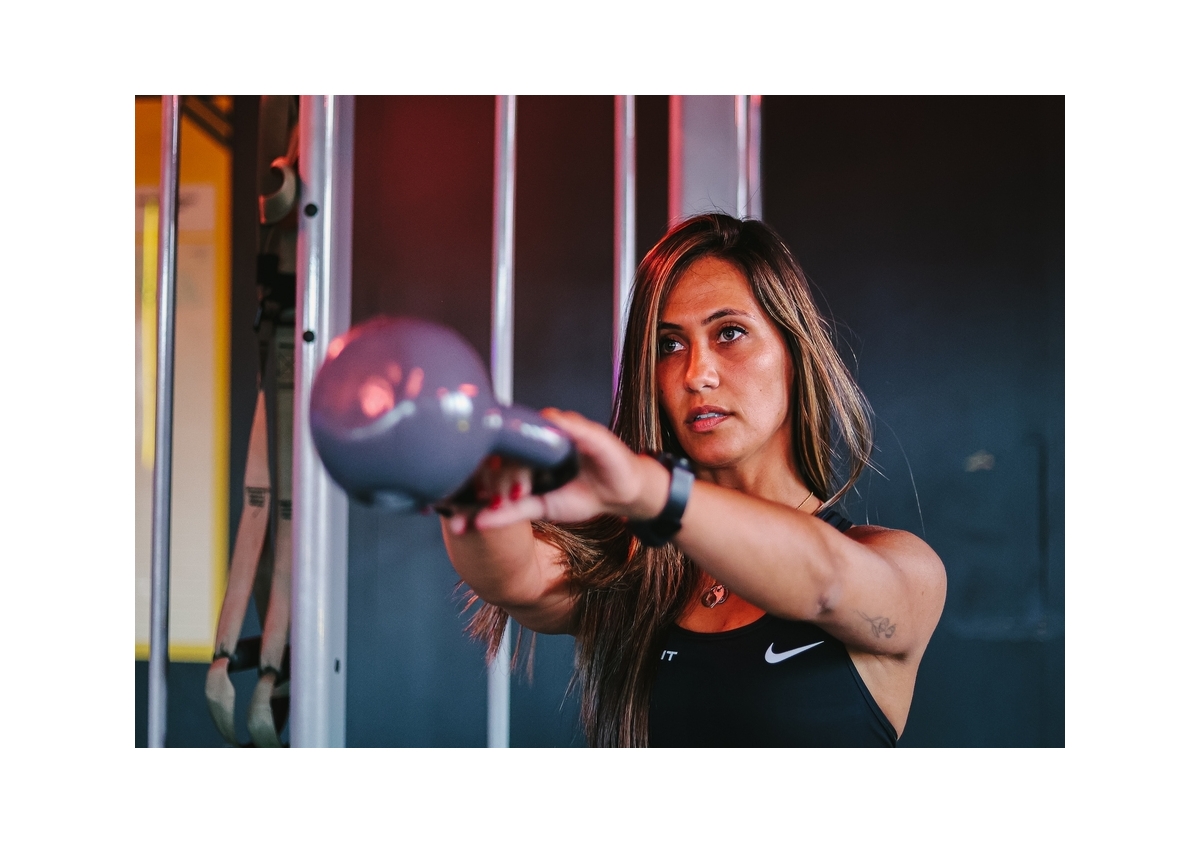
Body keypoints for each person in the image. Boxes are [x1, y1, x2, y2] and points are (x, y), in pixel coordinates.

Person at [439, 213, 946, 747]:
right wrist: (461, 478)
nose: (696, 374)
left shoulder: (905, 571)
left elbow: (825, 583)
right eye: (669, 345)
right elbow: (516, 579)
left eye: (730, 333)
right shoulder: (639, 570)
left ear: (793, 353)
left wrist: (647, 490)